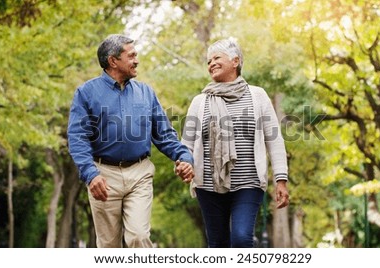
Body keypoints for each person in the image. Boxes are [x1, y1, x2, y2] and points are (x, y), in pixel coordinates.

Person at [67, 34, 194, 248]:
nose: (137, 60)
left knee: (138, 236)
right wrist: (90, 174)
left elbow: (163, 134)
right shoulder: (86, 93)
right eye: (131, 55)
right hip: (103, 176)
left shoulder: (146, 93)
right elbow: (78, 137)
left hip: (139, 173)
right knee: (109, 246)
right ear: (113, 61)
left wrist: (183, 156)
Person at [181, 38, 289, 248]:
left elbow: (274, 139)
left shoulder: (257, 96)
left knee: (241, 238)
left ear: (235, 61)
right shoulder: (200, 101)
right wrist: (184, 163)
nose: (211, 63)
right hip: (209, 185)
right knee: (218, 243)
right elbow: (186, 144)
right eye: (208, 61)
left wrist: (281, 179)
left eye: (217, 58)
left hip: (248, 182)